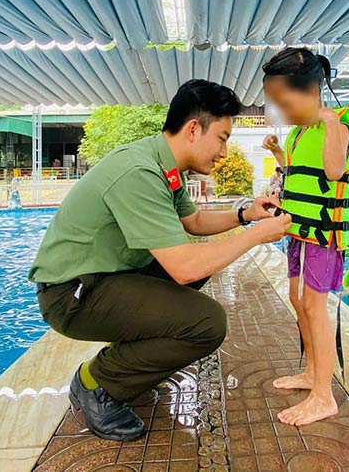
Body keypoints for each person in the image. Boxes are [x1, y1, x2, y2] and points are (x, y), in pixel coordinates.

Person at [29, 80, 291, 442]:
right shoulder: (139, 171)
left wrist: (247, 214)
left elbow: (195, 221)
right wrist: (257, 236)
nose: (224, 152)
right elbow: (184, 267)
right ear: (194, 128)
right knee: (206, 322)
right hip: (71, 295)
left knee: (195, 276)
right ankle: (96, 383)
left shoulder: (161, 164)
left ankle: (129, 360)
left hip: (104, 278)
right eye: (222, 137)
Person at [260, 48, 349, 426]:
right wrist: (277, 152)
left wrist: (330, 122)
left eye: (285, 103)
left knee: (315, 306)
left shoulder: (341, 124)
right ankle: (311, 373)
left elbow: (334, 171)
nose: (282, 113)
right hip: (297, 229)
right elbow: (299, 172)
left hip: (323, 234)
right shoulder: (301, 130)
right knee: (296, 299)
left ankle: (324, 395)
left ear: (309, 90)